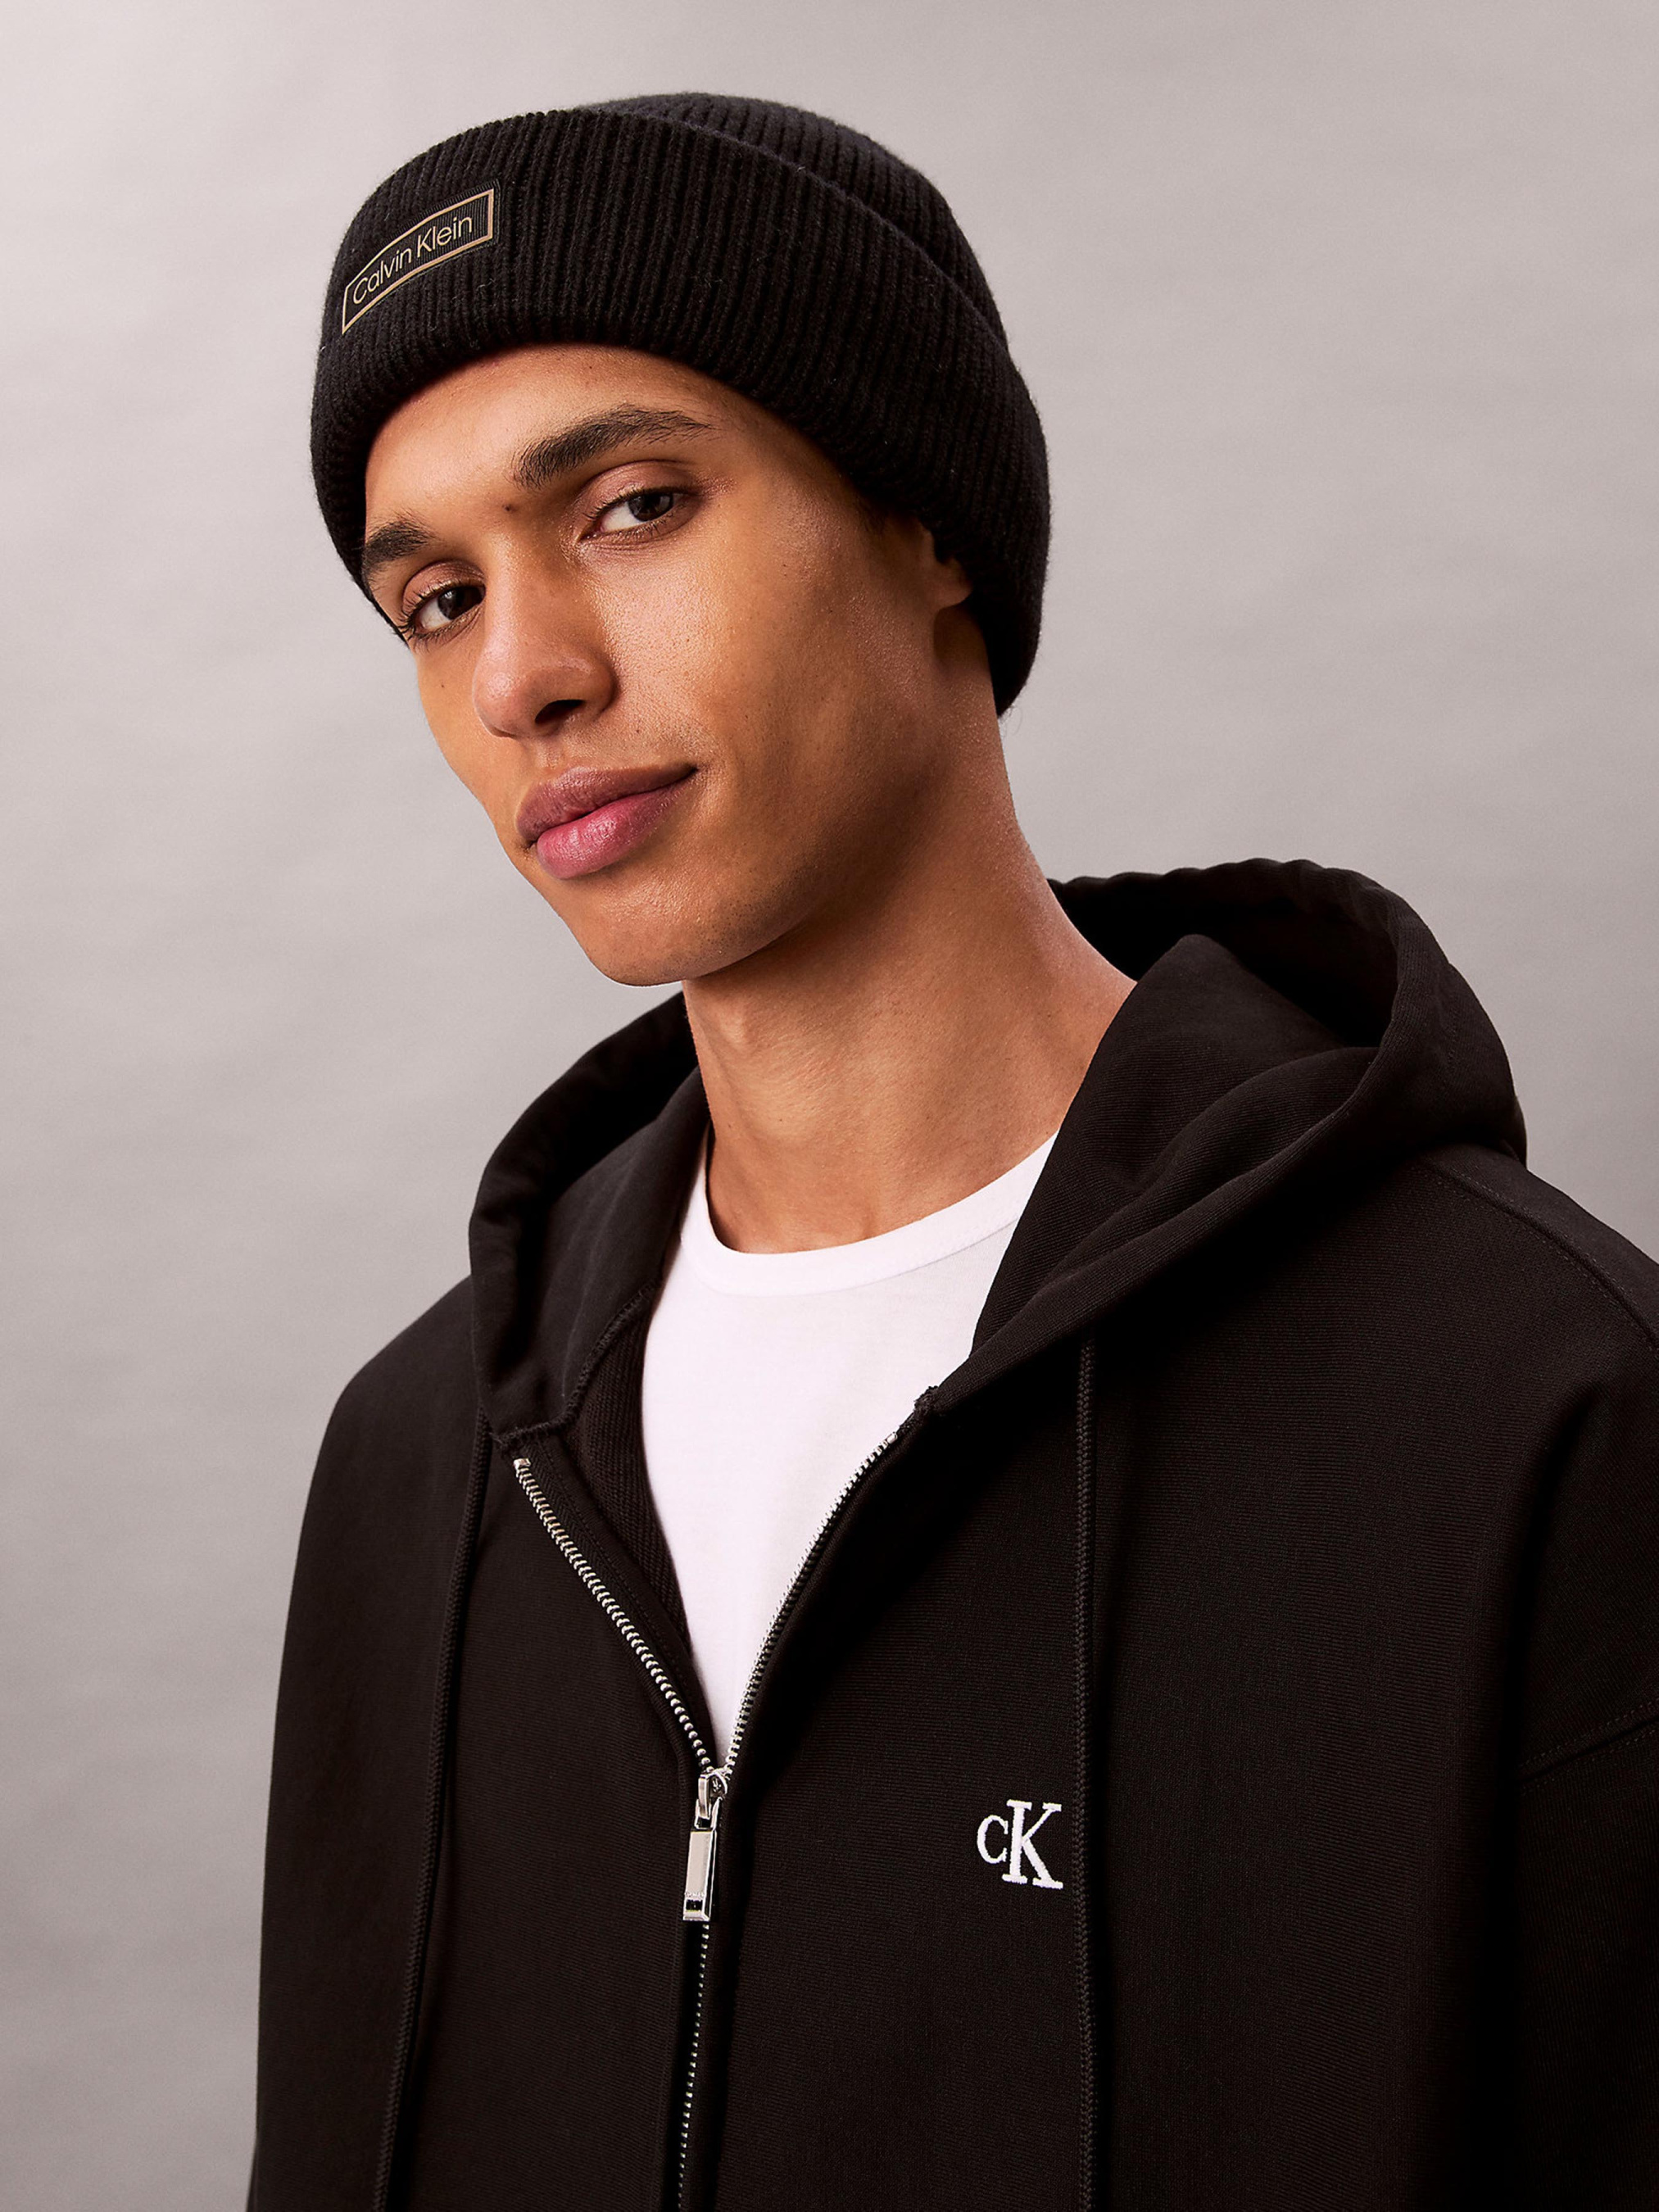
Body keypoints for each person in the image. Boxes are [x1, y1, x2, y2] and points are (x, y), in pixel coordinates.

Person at [252, 95, 1659, 2212]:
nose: (525, 673)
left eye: (632, 507)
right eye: (437, 599)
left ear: (931, 526)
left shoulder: (1526, 1401)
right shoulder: (425, 1460)